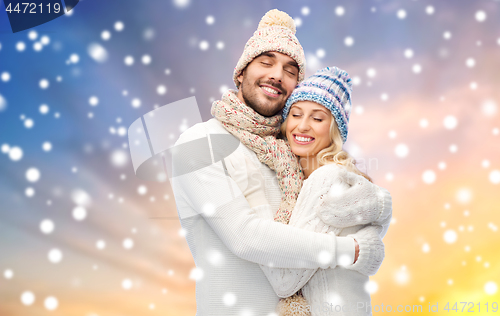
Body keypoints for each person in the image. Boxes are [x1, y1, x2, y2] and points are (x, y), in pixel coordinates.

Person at [171, 9, 386, 315]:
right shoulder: (200, 142)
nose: (276, 75)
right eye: (266, 62)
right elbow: (245, 236)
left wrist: (374, 216)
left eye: (290, 70)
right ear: (242, 72)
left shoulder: (295, 152)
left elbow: (338, 210)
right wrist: (351, 251)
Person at [216, 66, 392, 316]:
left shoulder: (325, 178)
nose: (303, 126)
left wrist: (255, 202)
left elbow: (284, 280)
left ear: (334, 131)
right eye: (296, 115)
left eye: (318, 118)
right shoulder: (330, 178)